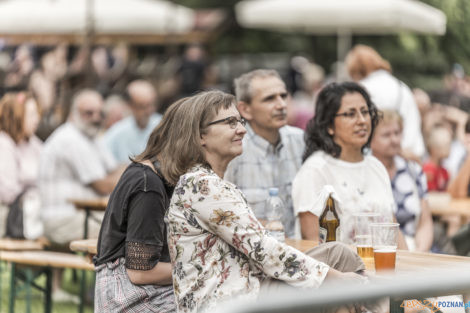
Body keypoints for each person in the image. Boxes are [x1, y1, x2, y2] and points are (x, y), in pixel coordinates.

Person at [167, 90, 366, 313]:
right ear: (200, 136)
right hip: (230, 304)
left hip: (251, 290)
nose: (242, 129)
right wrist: (334, 277)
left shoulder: (205, 182)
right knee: (336, 287)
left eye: (240, 121)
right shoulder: (203, 185)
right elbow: (263, 250)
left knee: (338, 255)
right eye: (230, 122)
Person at [93, 99, 186, 313]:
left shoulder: (152, 173)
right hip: (126, 296)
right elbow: (140, 272)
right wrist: (201, 270)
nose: (239, 131)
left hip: (135, 287)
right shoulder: (148, 185)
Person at [292, 82, 407, 247]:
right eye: (350, 114)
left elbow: (392, 230)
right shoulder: (315, 171)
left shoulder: (376, 166)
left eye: (365, 112)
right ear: (330, 125)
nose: (361, 121)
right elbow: (313, 244)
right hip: (341, 270)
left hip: (384, 267)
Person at [39, 89, 125, 245]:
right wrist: (134, 173)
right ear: (73, 114)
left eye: (100, 113)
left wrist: (128, 173)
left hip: (82, 215)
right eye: (88, 113)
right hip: (61, 220)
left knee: (129, 225)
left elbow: (115, 171)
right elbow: (104, 185)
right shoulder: (70, 138)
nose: (96, 118)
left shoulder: (91, 136)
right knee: (124, 230)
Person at [225, 69, 303, 238]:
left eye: (283, 95)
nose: (281, 104)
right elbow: (224, 219)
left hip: (300, 252)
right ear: (245, 110)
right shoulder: (231, 151)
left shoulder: (300, 141)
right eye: (269, 99)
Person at [345, 44, 425, 161]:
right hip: (411, 155)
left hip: (382, 158)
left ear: (356, 70)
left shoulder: (363, 89)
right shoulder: (401, 86)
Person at [370, 110, 433, 252]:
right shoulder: (367, 172)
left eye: (397, 133)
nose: (394, 140)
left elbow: (425, 222)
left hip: (415, 249)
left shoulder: (413, 170)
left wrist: (419, 252)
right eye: (386, 135)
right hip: (381, 252)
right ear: (370, 140)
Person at [0, 92, 42, 238]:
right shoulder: (4, 143)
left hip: (33, 214)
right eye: (31, 114)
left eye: (37, 113)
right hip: (10, 219)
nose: (37, 119)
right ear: (16, 115)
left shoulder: (33, 142)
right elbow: (8, 192)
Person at [104, 79, 162, 162]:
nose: (149, 111)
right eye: (143, 106)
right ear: (130, 105)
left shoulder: (164, 125)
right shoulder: (117, 132)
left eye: (151, 104)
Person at [422, 126, 452, 192]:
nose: (449, 148)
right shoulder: (428, 170)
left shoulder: (444, 171)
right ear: (434, 149)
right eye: (446, 144)